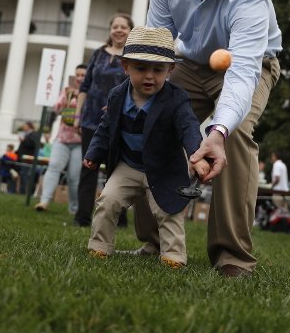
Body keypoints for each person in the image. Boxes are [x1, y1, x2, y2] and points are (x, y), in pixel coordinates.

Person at [134, 0, 282, 277]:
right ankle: (155, 242)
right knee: (151, 121)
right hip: (186, 64)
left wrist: (216, 131)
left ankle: (232, 256)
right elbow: (159, 45)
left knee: (232, 135)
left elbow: (243, 71)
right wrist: (139, 99)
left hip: (250, 64)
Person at [83, 27, 209, 268]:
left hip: (165, 166)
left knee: (169, 211)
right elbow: (106, 128)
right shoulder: (117, 96)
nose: (149, 76)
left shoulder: (177, 98)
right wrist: (93, 153)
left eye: (158, 69)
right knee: (108, 200)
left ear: (170, 70)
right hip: (128, 164)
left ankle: (173, 256)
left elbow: (189, 127)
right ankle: (100, 247)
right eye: (141, 68)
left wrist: (197, 155)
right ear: (125, 66)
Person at [72, 13, 133, 227]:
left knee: (117, 171)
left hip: (121, 121)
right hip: (91, 120)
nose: (118, 30)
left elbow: (136, 87)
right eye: (115, 26)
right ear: (110, 30)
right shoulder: (98, 54)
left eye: (123, 27)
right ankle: (82, 218)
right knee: (88, 168)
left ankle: (119, 219)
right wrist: (78, 116)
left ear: (130, 31)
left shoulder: (133, 55)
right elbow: (84, 86)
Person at [35, 64, 87, 213]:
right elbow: (57, 109)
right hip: (62, 138)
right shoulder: (66, 91)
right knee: (53, 168)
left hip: (80, 140)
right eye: (77, 75)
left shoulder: (91, 91)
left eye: (83, 75)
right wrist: (67, 97)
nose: (79, 78)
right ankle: (44, 201)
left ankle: (74, 208)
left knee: (74, 177)